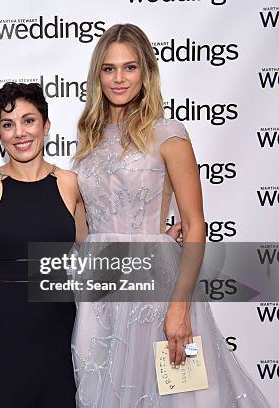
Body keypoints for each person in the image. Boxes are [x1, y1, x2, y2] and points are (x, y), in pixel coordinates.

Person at [71, 23, 271, 407]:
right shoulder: (88, 140)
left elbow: (195, 224)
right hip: (99, 289)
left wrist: (179, 307)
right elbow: (81, 224)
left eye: (129, 67)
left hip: (155, 288)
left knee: (170, 394)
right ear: (97, 74)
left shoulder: (168, 134)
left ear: (146, 72)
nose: (119, 78)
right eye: (109, 68)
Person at [0, 82, 86, 407]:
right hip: (3, 329)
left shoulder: (71, 184)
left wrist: (157, 241)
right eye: (7, 124)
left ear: (46, 124)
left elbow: (90, 256)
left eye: (28, 120)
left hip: (61, 329)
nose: (19, 133)